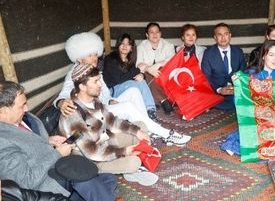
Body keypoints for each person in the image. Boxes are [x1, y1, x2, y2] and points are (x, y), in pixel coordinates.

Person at [52, 32, 189, 147]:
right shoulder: (75, 73)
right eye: (90, 55)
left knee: (134, 91)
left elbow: (105, 94)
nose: (95, 58)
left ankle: (148, 128)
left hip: (104, 106)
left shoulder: (95, 71)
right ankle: (167, 134)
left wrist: (111, 101)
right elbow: (65, 92)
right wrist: (61, 102)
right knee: (128, 107)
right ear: (80, 57)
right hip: (91, 117)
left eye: (95, 54)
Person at [0, 80, 118, 199]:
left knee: (107, 178)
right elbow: (27, 181)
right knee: (83, 177)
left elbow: (26, 139)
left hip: (55, 166)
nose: (26, 109)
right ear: (3, 111)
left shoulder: (24, 117)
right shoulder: (2, 142)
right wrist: (57, 153)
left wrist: (48, 140)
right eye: (22, 106)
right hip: (45, 183)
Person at [59, 64, 159, 185]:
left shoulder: (94, 100)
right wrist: (124, 152)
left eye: (99, 80)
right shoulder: (73, 114)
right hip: (94, 159)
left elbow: (111, 121)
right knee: (134, 162)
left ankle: (127, 163)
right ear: (82, 86)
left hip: (107, 141)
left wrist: (136, 131)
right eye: (95, 81)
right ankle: (121, 168)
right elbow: (91, 152)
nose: (100, 85)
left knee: (141, 126)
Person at [102, 34, 158, 120]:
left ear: (131, 48)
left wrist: (141, 75)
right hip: (113, 91)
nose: (125, 46)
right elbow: (119, 79)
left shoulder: (129, 60)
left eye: (128, 44)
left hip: (127, 88)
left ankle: (151, 110)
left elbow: (132, 76)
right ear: (118, 45)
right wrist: (137, 70)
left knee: (141, 81)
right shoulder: (110, 58)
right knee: (134, 84)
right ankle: (146, 111)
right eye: (122, 43)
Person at [201, 22, 247, 110]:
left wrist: (235, 88)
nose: (223, 38)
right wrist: (219, 89)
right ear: (215, 37)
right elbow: (206, 76)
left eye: (226, 34)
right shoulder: (208, 53)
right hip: (216, 92)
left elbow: (243, 71)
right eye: (219, 35)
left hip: (235, 90)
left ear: (230, 35)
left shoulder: (238, 51)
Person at [135, 22, 175, 114]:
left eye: (157, 32)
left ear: (160, 34)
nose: (155, 34)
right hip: (147, 75)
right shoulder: (141, 46)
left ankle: (156, 100)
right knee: (146, 74)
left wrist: (157, 65)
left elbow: (172, 61)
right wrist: (149, 69)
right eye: (151, 32)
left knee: (159, 70)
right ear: (147, 35)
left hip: (164, 75)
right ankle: (163, 101)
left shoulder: (168, 45)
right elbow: (139, 64)